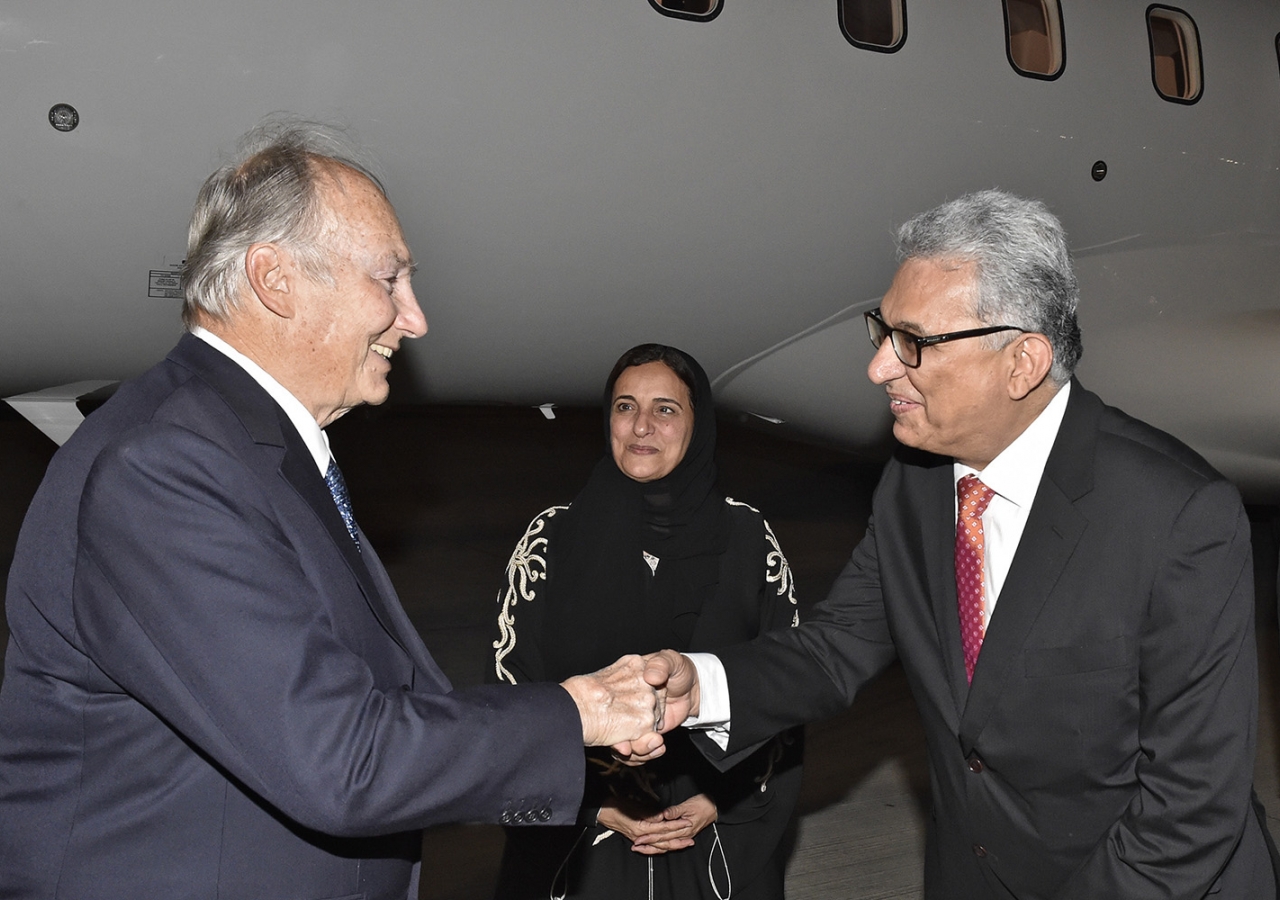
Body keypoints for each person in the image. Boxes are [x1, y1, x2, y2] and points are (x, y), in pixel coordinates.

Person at [0, 120, 665, 900]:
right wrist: (573, 714)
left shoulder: (246, 441)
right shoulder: (165, 467)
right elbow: (340, 761)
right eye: (388, 281)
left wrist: (582, 735)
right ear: (275, 280)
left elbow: (378, 698)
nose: (414, 319)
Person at [644, 190, 1278, 899]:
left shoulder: (1179, 518)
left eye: (913, 341)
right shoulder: (914, 482)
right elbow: (837, 646)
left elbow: (1191, 808)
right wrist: (701, 686)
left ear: (1022, 362)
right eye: (881, 331)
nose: (880, 367)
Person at [490, 344, 803, 900]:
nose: (640, 426)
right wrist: (600, 807)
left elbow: (786, 681)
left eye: (665, 409)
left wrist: (719, 800)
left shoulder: (747, 539)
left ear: (696, 423)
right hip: (584, 832)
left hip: (712, 831)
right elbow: (513, 691)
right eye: (624, 406)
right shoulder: (552, 540)